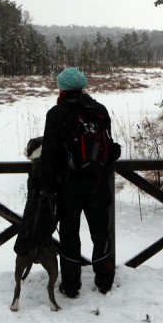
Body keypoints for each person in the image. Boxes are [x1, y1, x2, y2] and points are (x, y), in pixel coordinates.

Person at [39, 67, 121, 298]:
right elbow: (107, 149)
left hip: (68, 187)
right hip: (98, 183)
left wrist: (46, 186)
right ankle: (104, 281)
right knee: (100, 234)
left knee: (69, 236)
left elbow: (49, 154)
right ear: (83, 86)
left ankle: (71, 285)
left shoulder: (57, 113)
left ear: (62, 88)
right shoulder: (99, 110)